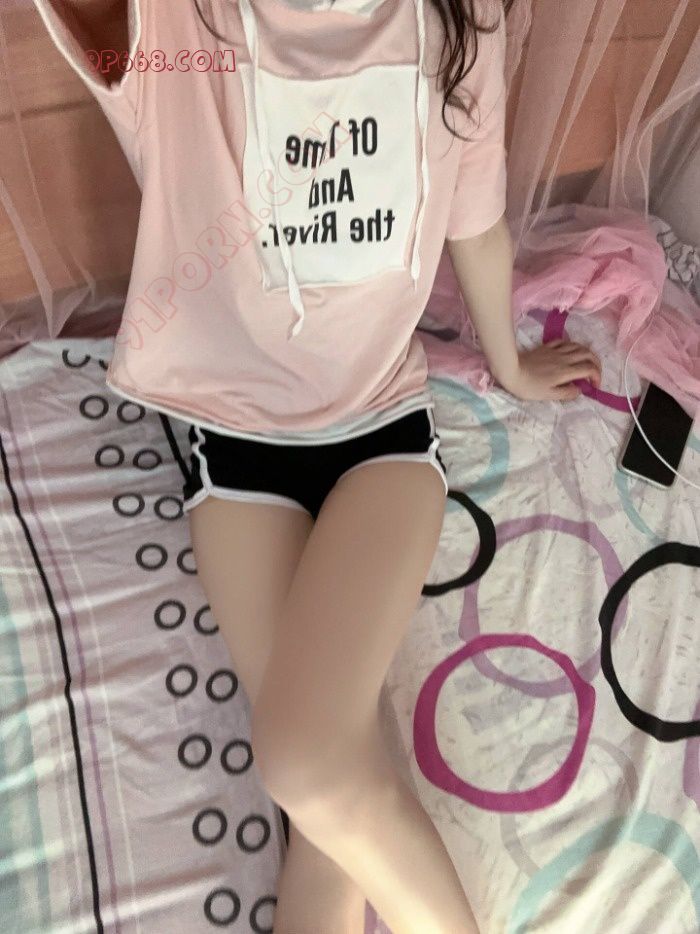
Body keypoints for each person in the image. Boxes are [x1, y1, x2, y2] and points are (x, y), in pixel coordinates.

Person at [35, 0, 602, 931]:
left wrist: (509, 364)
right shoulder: (184, 36)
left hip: (382, 433)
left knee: (308, 766)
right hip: (238, 448)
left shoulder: (459, 21)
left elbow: (476, 220)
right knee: (324, 784)